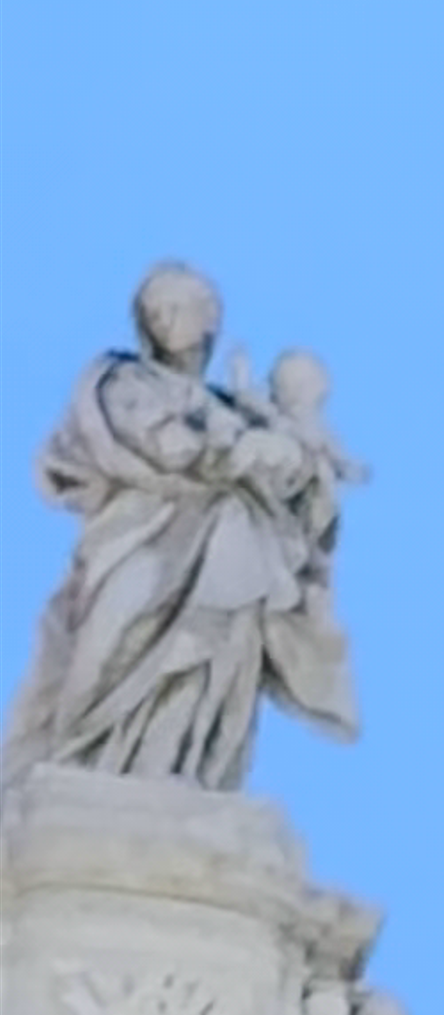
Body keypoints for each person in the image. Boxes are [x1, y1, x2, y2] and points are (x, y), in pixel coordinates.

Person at [2, 272, 359, 789]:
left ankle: (172, 768)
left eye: (181, 307)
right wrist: (238, 454)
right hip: (139, 540)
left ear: (211, 318)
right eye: (155, 310)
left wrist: (294, 463)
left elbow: (304, 495)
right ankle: (83, 761)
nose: (166, 319)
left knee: (210, 651)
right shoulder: (124, 382)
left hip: (228, 557)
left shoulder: (230, 407)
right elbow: (162, 446)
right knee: (109, 645)